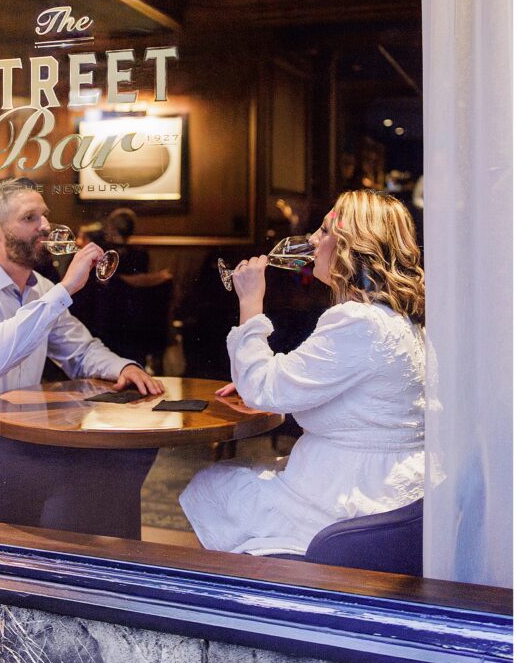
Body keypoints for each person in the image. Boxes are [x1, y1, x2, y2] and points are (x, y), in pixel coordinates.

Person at [0, 178, 164, 534]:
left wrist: (124, 366)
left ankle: (116, 573)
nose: (45, 226)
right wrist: (66, 289)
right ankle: (65, 574)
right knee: (80, 468)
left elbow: (81, 350)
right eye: (30, 218)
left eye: (44, 216)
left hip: (10, 438)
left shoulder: (39, 291)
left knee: (126, 452)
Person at [179, 189, 425, 556]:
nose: (312, 240)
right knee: (236, 477)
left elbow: (263, 390)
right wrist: (274, 376)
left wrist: (249, 302)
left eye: (324, 231)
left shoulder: (356, 319)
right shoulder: (399, 319)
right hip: (392, 487)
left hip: (350, 497)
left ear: (352, 246)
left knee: (213, 485)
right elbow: (337, 384)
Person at [104, 207, 149, 276]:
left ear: (113, 229)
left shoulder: (105, 251)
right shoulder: (141, 253)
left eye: (108, 226)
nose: (106, 230)